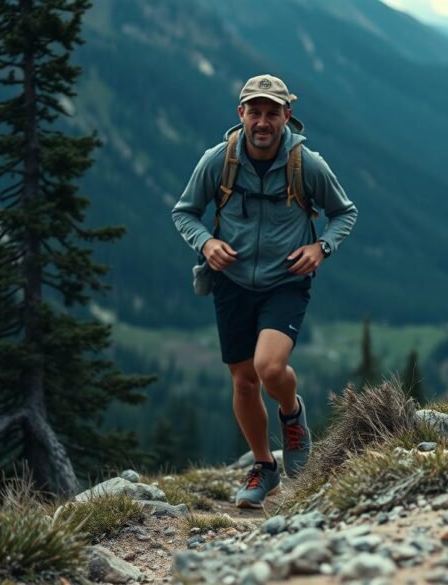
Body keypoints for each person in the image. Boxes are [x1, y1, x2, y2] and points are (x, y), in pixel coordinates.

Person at [172, 74, 358, 508]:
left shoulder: (305, 163)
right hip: (232, 282)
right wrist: (207, 242)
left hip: (286, 281)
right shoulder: (219, 161)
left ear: (286, 116)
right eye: (254, 112)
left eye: (272, 113)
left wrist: (321, 246)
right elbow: (185, 213)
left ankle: (292, 415)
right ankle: (265, 466)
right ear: (241, 115)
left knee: (269, 369)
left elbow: (344, 213)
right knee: (243, 382)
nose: (262, 121)